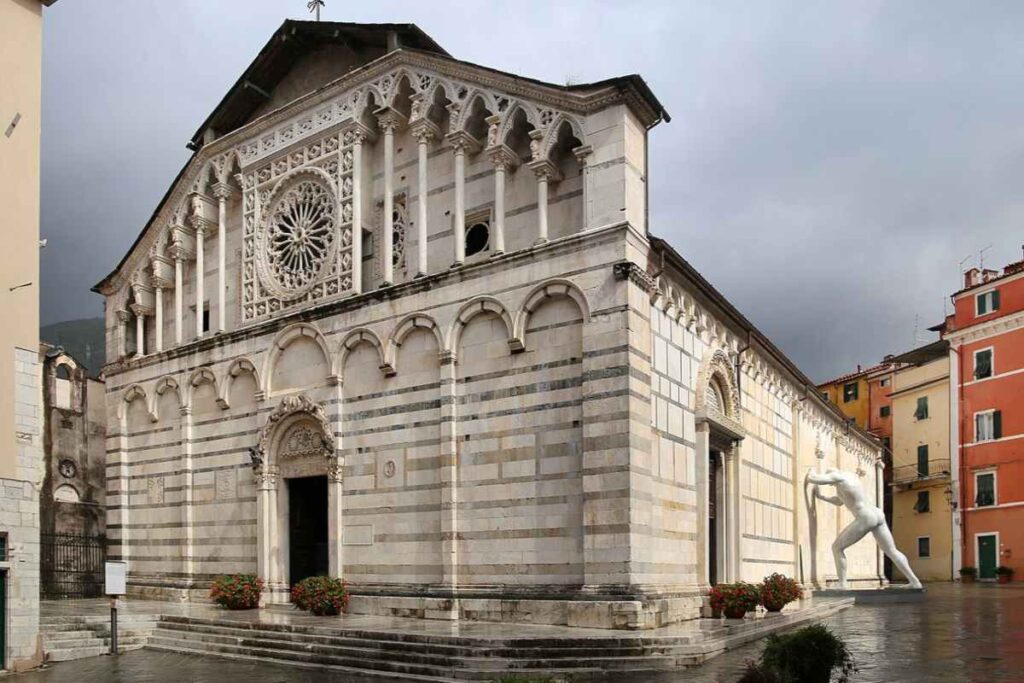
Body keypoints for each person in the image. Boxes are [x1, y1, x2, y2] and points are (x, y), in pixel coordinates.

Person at [807, 468, 922, 589]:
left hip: (865, 517)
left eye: (831, 482)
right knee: (891, 550)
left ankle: (842, 584)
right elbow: (839, 501)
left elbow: (813, 478)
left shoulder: (838, 477)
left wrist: (811, 471)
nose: (831, 484)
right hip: (877, 514)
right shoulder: (851, 478)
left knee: (836, 548)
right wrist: (821, 496)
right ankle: (915, 582)